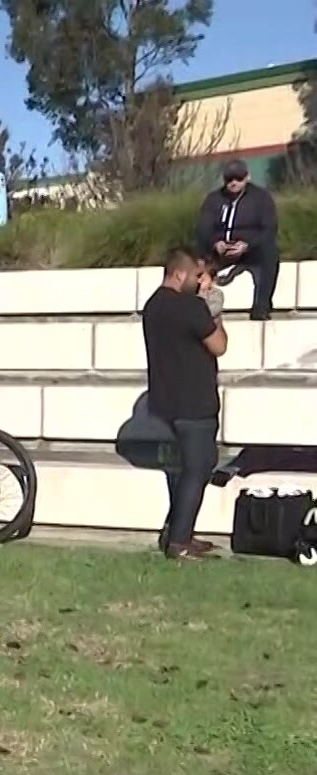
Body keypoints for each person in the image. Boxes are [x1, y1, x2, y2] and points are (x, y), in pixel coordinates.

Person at [143, 248, 229, 561]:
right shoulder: (191, 307)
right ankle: (179, 542)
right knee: (197, 469)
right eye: (196, 275)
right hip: (195, 403)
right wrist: (214, 310)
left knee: (190, 469)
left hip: (166, 403)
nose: (199, 281)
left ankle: (177, 531)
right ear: (180, 274)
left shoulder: (153, 305)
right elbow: (219, 345)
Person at [196, 160, 278, 321]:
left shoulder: (261, 198)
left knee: (269, 252)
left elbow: (269, 229)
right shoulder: (214, 199)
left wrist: (247, 245)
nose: (234, 183)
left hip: (250, 250)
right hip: (220, 248)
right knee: (191, 254)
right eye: (229, 179)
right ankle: (194, 306)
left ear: (247, 177)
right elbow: (203, 228)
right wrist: (216, 243)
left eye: (238, 178)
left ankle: (261, 307)